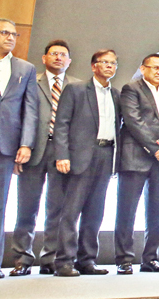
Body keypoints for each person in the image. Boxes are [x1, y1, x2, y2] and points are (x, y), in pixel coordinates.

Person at [10, 40, 78, 276]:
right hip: (33, 151)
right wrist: (20, 148)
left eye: (63, 55)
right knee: (26, 208)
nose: (59, 58)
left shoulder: (78, 86)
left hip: (63, 154)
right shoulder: (31, 81)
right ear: (44, 58)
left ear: (69, 60)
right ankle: (22, 258)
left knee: (56, 209)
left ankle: (50, 258)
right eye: (54, 54)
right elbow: (17, 117)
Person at [52, 50, 122, 276]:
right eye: (105, 63)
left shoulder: (116, 95)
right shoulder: (76, 89)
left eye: (113, 63)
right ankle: (64, 261)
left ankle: (87, 260)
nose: (110, 66)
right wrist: (62, 155)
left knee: (95, 211)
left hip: (106, 154)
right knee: (71, 211)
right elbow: (61, 124)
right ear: (94, 66)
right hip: (80, 156)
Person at [114, 54, 159, 274]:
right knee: (127, 211)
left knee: (156, 211)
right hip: (135, 157)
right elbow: (133, 121)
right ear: (143, 69)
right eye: (155, 68)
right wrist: (155, 149)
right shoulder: (131, 89)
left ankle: (150, 258)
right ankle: (124, 259)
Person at [0, 18, 38, 279]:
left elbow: (30, 109)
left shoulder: (25, 68)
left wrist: (25, 143)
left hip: (5, 143)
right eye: (4, 33)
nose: (10, 38)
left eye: (14, 34)